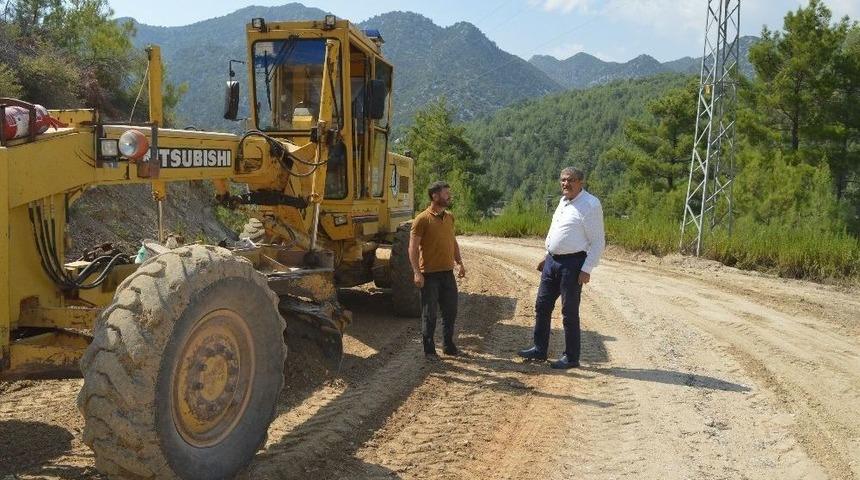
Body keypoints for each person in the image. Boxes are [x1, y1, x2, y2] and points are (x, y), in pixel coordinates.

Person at [518, 167, 605, 369]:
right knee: (542, 305)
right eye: (563, 180)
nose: (566, 184)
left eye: (571, 180)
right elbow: (559, 231)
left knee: (569, 312)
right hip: (552, 262)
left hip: (573, 265)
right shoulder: (563, 201)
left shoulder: (590, 205)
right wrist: (547, 254)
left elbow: (598, 241)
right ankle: (540, 349)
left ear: (581, 182)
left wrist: (587, 269)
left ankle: (571, 357)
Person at [409, 181, 466, 359]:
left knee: (450, 311)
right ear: (435, 196)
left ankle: (448, 345)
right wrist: (417, 272)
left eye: (449, 193)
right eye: (446, 193)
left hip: (447, 273)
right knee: (430, 314)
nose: (449, 196)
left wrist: (460, 262)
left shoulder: (450, 217)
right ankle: (429, 350)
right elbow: (412, 248)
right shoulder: (421, 219)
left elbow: (452, 240)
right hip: (429, 275)